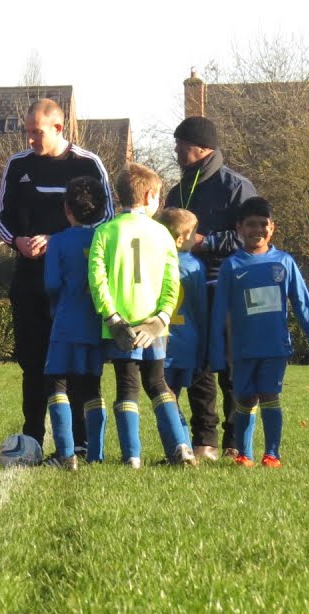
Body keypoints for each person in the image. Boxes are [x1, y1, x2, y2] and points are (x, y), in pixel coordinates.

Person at [0, 98, 113, 453]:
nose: (30, 139)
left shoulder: (88, 164)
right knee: (32, 362)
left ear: (59, 128)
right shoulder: (18, 166)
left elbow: (105, 219)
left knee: (77, 364)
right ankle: (32, 437)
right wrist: (18, 241)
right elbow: (0, 218)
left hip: (76, 287)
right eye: (27, 132)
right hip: (29, 281)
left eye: (37, 132)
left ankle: (81, 441)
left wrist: (59, 242)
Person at [164, 116, 258, 461]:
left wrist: (208, 242)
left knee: (231, 366)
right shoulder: (177, 190)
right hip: (189, 289)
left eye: (181, 144)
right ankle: (205, 441)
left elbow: (252, 235)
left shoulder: (236, 186)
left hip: (227, 286)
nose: (175, 150)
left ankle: (235, 442)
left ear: (202, 147)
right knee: (198, 365)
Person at [88, 163, 195, 467]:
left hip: (119, 326)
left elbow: (98, 281)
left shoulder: (104, 232)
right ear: (149, 195)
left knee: (127, 386)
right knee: (159, 383)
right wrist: (160, 318)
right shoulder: (162, 234)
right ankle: (181, 446)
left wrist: (113, 318)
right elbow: (172, 280)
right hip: (154, 324)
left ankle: (132, 456)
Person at [208, 197, 309, 468]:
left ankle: (272, 453)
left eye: (263, 224)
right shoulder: (231, 267)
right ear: (239, 227)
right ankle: (244, 454)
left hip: (274, 346)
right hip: (242, 349)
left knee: (270, 396)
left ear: (273, 227)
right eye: (251, 224)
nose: (257, 230)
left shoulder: (284, 263)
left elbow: (303, 303)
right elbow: (218, 315)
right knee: (245, 398)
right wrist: (216, 354)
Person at [41, 177, 110, 471]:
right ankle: (95, 453)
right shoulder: (103, 239)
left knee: (58, 383)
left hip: (66, 322)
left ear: (67, 208)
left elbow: (51, 283)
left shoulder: (58, 241)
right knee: (92, 387)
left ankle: (66, 453)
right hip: (95, 323)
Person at [155, 207, 207, 438]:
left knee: (167, 397)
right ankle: (181, 445)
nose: (197, 237)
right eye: (194, 232)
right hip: (188, 342)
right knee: (172, 396)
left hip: (162, 342)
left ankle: (180, 445)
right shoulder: (195, 266)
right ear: (180, 239)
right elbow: (201, 309)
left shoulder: (154, 262)